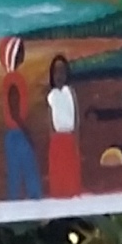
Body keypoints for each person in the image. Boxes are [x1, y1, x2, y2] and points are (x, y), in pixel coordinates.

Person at [0, 36, 40, 200]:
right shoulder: (15, 80)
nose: (24, 53)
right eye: (21, 51)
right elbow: (15, 112)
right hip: (18, 134)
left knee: (15, 175)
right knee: (29, 171)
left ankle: (15, 204)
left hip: (12, 135)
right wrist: (28, 133)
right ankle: (35, 205)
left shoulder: (9, 79)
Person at [43, 55, 81, 199]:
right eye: (56, 72)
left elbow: (76, 116)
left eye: (62, 71)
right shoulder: (51, 95)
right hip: (57, 140)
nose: (59, 75)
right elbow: (49, 119)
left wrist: (76, 138)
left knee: (71, 169)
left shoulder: (70, 92)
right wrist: (52, 137)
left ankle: (72, 195)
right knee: (58, 170)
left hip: (69, 137)